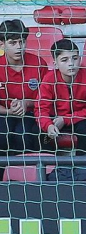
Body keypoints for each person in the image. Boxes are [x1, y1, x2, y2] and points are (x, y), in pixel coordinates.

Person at [34, 39, 86, 154]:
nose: (71, 63)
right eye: (64, 60)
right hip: (55, 118)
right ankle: (51, 167)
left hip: (80, 118)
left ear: (80, 59)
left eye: (75, 58)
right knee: (37, 131)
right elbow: (41, 108)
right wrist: (48, 125)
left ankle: (83, 167)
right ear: (55, 63)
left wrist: (66, 119)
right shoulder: (49, 79)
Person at [0, 20, 47, 155]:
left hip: (32, 113)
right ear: (2, 44)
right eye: (13, 43)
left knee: (23, 135)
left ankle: (27, 174)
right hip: (4, 113)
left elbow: (49, 98)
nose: (19, 47)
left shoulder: (38, 63)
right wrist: (9, 111)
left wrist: (26, 103)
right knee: (3, 135)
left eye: (22, 42)